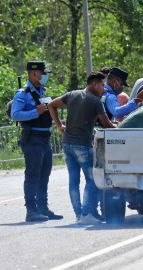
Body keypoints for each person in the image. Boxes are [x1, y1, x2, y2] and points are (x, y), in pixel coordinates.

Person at [48, 72, 116, 224]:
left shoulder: (72, 94)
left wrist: (59, 125)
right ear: (94, 84)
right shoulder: (95, 101)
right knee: (93, 179)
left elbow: (51, 105)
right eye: (102, 85)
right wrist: (120, 127)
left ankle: (79, 215)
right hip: (82, 145)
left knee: (73, 181)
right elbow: (107, 124)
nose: (104, 89)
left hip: (67, 144)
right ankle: (86, 214)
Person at [10, 61, 63, 222]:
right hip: (32, 138)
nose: (44, 76)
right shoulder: (22, 93)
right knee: (33, 174)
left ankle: (43, 208)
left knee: (44, 174)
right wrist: (35, 111)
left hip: (45, 138)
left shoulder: (42, 91)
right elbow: (15, 114)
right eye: (42, 73)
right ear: (33, 73)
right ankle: (31, 210)